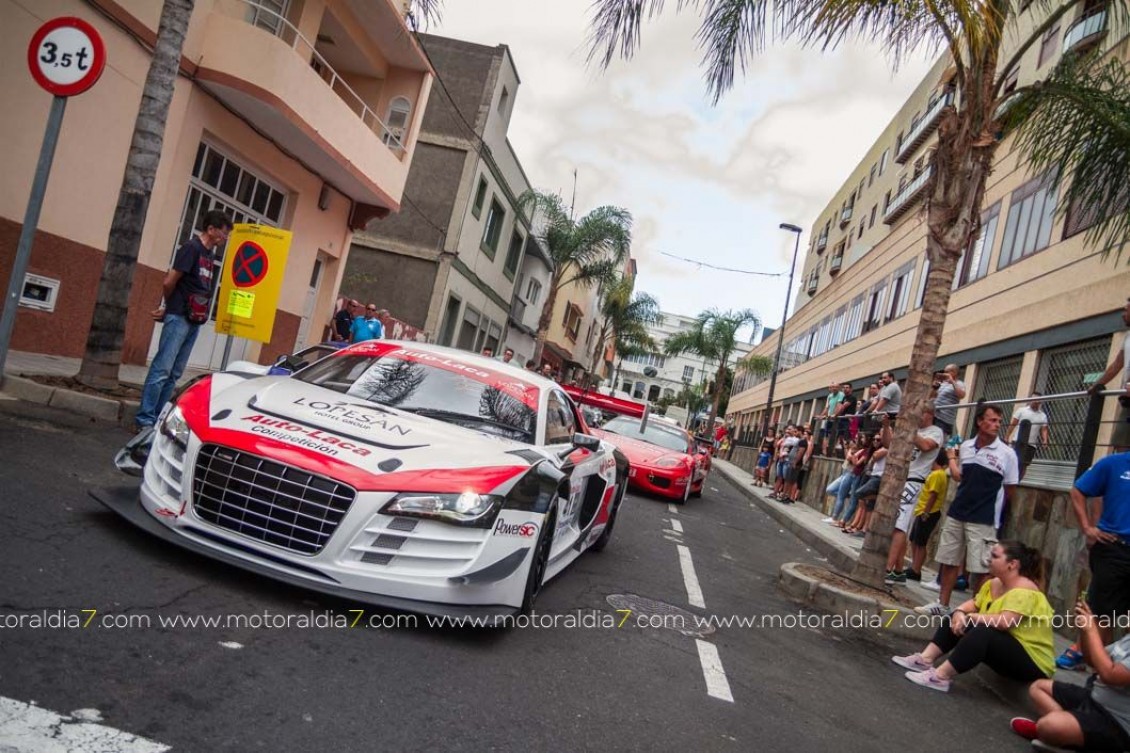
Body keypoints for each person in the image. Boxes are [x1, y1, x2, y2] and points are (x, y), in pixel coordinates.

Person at [893, 541, 1054, 693]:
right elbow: (972, 605)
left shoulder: (1025, 592)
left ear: (1012, 564)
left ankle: (940, 677)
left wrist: (972, 617)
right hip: (1007, 649)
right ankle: (925, 659)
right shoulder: (994, 583)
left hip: (1033, 663)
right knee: (955, 617)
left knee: (982, 632)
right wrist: (959, 613)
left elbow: (1004, 622)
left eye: (995, 556)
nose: (989, 559)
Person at [917, 403, 1019, 616]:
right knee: (949, 559)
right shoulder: (966, 447)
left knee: (981, 567)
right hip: (958, 512)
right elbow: (961, 477)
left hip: (983, 518)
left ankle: (975, 610)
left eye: (999, 421)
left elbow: (1010, 489)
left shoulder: (1007, 454)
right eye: (992, 420)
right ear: (979, 421)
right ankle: (942, 604)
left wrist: (998, 513)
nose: (996, 425)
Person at [135, 209, 233, 431]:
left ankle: (159, 417)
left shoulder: (209, 255)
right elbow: (169, 281)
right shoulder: (191, 248)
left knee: (175, 373)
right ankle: (144, 419)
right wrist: (170, 308)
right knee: (162, 368)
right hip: (179, 317)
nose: (225, 238)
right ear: (211, 229)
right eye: (224, 233)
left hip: (194, 320)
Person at [1014, 600, 1130, 751]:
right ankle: (1066, 733)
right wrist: (1084, 630)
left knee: (1049, 726)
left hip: (1117, 723)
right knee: (1038, 687)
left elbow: (1110, 674)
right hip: (1094, 698)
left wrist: (1092, 630)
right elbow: (1092, 660)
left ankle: (1056, 731)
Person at [1056, 448, 1130, 672]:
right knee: (1103, 614)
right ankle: (1099, 672)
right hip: (1113, 548)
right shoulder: (1113, 464)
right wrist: (1088, 527)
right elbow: (1078, 490)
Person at [884, 403, 944, 583]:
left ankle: (888, 568)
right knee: (896, 524)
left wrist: (909, 427)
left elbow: (926, 446)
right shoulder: (913, 429)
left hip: (915, 481)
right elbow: (889, 444)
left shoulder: (936, 432)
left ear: (929, 414)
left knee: (900, 525)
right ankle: (898, 569)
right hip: (901, 477)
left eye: (920, 414)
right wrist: (887, 426)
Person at [1086, 296, 1130, 451]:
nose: (1123, 314)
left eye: (1126, 310)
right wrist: (1097, 384)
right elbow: (1117, 365)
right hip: (1128, 400)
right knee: (1121, 444)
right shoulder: (1128, 337)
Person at [907, 453, 950, 581]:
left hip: (928, 512)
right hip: (922, 510)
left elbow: (933, 495)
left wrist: (926, 512)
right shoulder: (937, 474)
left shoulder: (938, 475)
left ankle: (916, 569)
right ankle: (914, 566)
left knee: (921, 542)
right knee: (914, 540)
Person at [1005, 393, 1050, 478]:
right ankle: (1008, 481)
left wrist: (1045, 440)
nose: (1034, 402)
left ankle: (1017, 483)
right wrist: (1007, 436)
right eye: (1033, 399)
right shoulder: (1021, 410)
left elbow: (1044, 429)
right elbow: (1013, 424)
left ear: (1040, 402)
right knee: (1013, 462)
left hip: (1031, 445)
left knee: (1024, 466)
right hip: (1018, 442)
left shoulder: (1042, 416)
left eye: (1037, 400)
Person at [932, 363, 966, 437]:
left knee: (938, 440)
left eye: (947, 372)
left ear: (955, 373)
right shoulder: (942, 383)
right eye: (944, 372)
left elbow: (962, 395)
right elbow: (932, 397)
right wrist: (934, 387)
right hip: (934, 414)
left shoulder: (959, 383)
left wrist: (952, 382)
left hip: (944, 419)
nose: (945, 374)